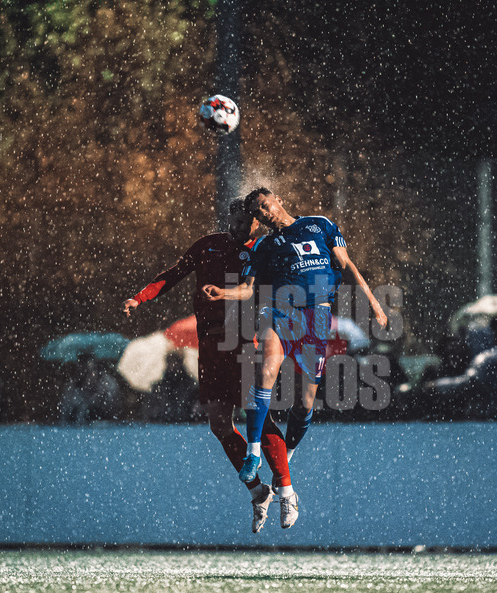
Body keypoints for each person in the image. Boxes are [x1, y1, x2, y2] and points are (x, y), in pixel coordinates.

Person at [204, 187, 388, 529]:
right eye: (258, 213)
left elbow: (347, 266)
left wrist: (374, 303)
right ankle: (254, 451)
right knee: (265, 372)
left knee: (304, 403)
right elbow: (248, 288)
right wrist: (223, 292)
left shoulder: (319, 225)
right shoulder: (265, 245)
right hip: (281, 312)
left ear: (279, 200)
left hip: (317, 317)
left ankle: (284, 459)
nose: (264, 213)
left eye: (264, 205)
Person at [122, 199, 289, 533]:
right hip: (209, 346)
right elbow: (172, 275)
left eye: (245, 222)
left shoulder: (261, 250)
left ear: (256, 223)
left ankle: (285, 488)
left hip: (243, 342)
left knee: (257, 414)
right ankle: (258, 491)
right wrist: (139, 297)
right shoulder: (207, 245)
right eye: (235, 220)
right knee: (219, 424)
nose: (238, 227)